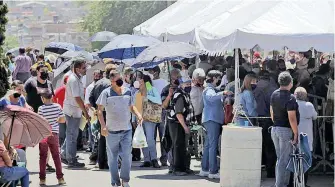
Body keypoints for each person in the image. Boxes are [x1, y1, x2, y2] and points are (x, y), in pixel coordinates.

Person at [96, 70, 142, 187]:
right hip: (111, 131)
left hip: (126, 130)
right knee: (112, 159)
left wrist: (138, 115)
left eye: (120, 78)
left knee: (127, 155)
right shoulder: (106, 93)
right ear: (112, 81)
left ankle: (125, 180)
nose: (120, 81)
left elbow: (132, 107)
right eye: (117, 79)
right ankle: (115, 182)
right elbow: (99, 111)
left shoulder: (127, 91)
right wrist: (103, 126)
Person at [199, 70, 231, 179]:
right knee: (212, 146)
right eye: (218, 78)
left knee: (209, 145)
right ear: (213, 78)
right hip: (212, 120)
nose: (219, 80)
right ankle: (212, 171)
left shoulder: (212, 89)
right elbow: (211, 97)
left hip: (211, 119)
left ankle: (205, 169)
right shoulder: (209, 90)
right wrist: (224, 93)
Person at [270, 71, 300, 187]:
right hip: (285, 130)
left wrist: (276, 123)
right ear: (290, 82)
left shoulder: (274, 94)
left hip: (275, 128)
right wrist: (296, 133)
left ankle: (283, 183)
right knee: (284, 160)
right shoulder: (291, 98)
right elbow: (292, 118)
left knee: (281, 158)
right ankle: (280, 184)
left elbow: (271, 113)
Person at [89, 64, 117, 169]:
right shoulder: (110, 84)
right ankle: (109, 161)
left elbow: (90, 98)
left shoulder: (98, 83)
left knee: (102, 137)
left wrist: (96, 108)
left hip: (100, 112)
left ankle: (101, 161)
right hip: (109, 112)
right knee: (111, 137)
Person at [61, 59, 88, 168]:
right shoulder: (73, 79)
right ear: (77, 69)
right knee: (72, 135)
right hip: (72, 111)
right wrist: (85, 112)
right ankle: (71, 160)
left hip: (75, 110)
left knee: (71, 134)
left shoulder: (77, 78)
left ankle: (64, 154)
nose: (85, 69)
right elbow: (77, 98)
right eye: (83, 68)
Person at [167, 78, 195, 176]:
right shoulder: (179, 95)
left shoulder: (185, 94)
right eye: (186, 84)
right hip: (177, 123)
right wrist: (185, 127)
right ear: (181, 85)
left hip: (182, 123)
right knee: (178, 145)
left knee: (184, 146)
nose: (188, 86)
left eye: (189, 84)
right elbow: (179, 114)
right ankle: (177, 169)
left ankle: (184, 167)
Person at [38, 91, 66, 185]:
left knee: (43, 157)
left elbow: (40, 122)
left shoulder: (41, 108)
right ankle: (60, 178)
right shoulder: (58, 106)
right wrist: (56, 119)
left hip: (44, 135)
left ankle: (42, 180)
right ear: (51, 97)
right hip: (54, 133)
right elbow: (63, 120)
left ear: (43, 98)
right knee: (56, 156)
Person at [253, 70, 278, 178]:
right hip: (268, 119)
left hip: (255, 119)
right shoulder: (272, 89)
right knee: (270, 146)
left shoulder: (254, 87)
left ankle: (257, 168)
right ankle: (270, 171)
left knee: (257, 146)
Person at [135, 74, 162, 168]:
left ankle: (154, 159)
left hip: (150, 118)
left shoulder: (151, 89)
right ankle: (147, 159)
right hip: (140, 119)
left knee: (150, 139)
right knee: (142, 139)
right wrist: (134, 119)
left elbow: (159, 101)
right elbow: (135, 106)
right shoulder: (137, 92)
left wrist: (147, 96)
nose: (139, 82)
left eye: (140, 81)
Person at [293, 86, 317, 186]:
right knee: (306, 160)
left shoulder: (293, 104)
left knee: (294, 159)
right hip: (307, 136)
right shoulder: (309, 105)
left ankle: (295, 182)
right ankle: (304, 183)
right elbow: (315, 116)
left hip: (295, 134)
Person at [148, 66, 168, 165]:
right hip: (151, 111)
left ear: (156, 72)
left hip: (162, 110)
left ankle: (164, 158)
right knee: (152, 136)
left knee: (162, 135)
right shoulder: (149, 83)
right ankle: (154, 158)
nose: (149, 73)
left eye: (150, 71)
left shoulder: (164, 82)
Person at [84, 70, 103, 152]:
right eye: (95, 75)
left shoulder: (103, 87)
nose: (97, 77)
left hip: (101, 112)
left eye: (99, 75)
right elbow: (87, 103)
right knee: (92, 131)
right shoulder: (90, 88)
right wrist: (94, 111)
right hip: (93, 113)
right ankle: (93, 149)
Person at [53, 75, 69, 146]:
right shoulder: (63, 88)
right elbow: (54, 96)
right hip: (64, 112)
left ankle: (61, 145)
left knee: (62, 130)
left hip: (62, 111)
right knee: (65, 131)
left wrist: (56, 105)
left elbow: (53, 97)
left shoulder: (62, 88)